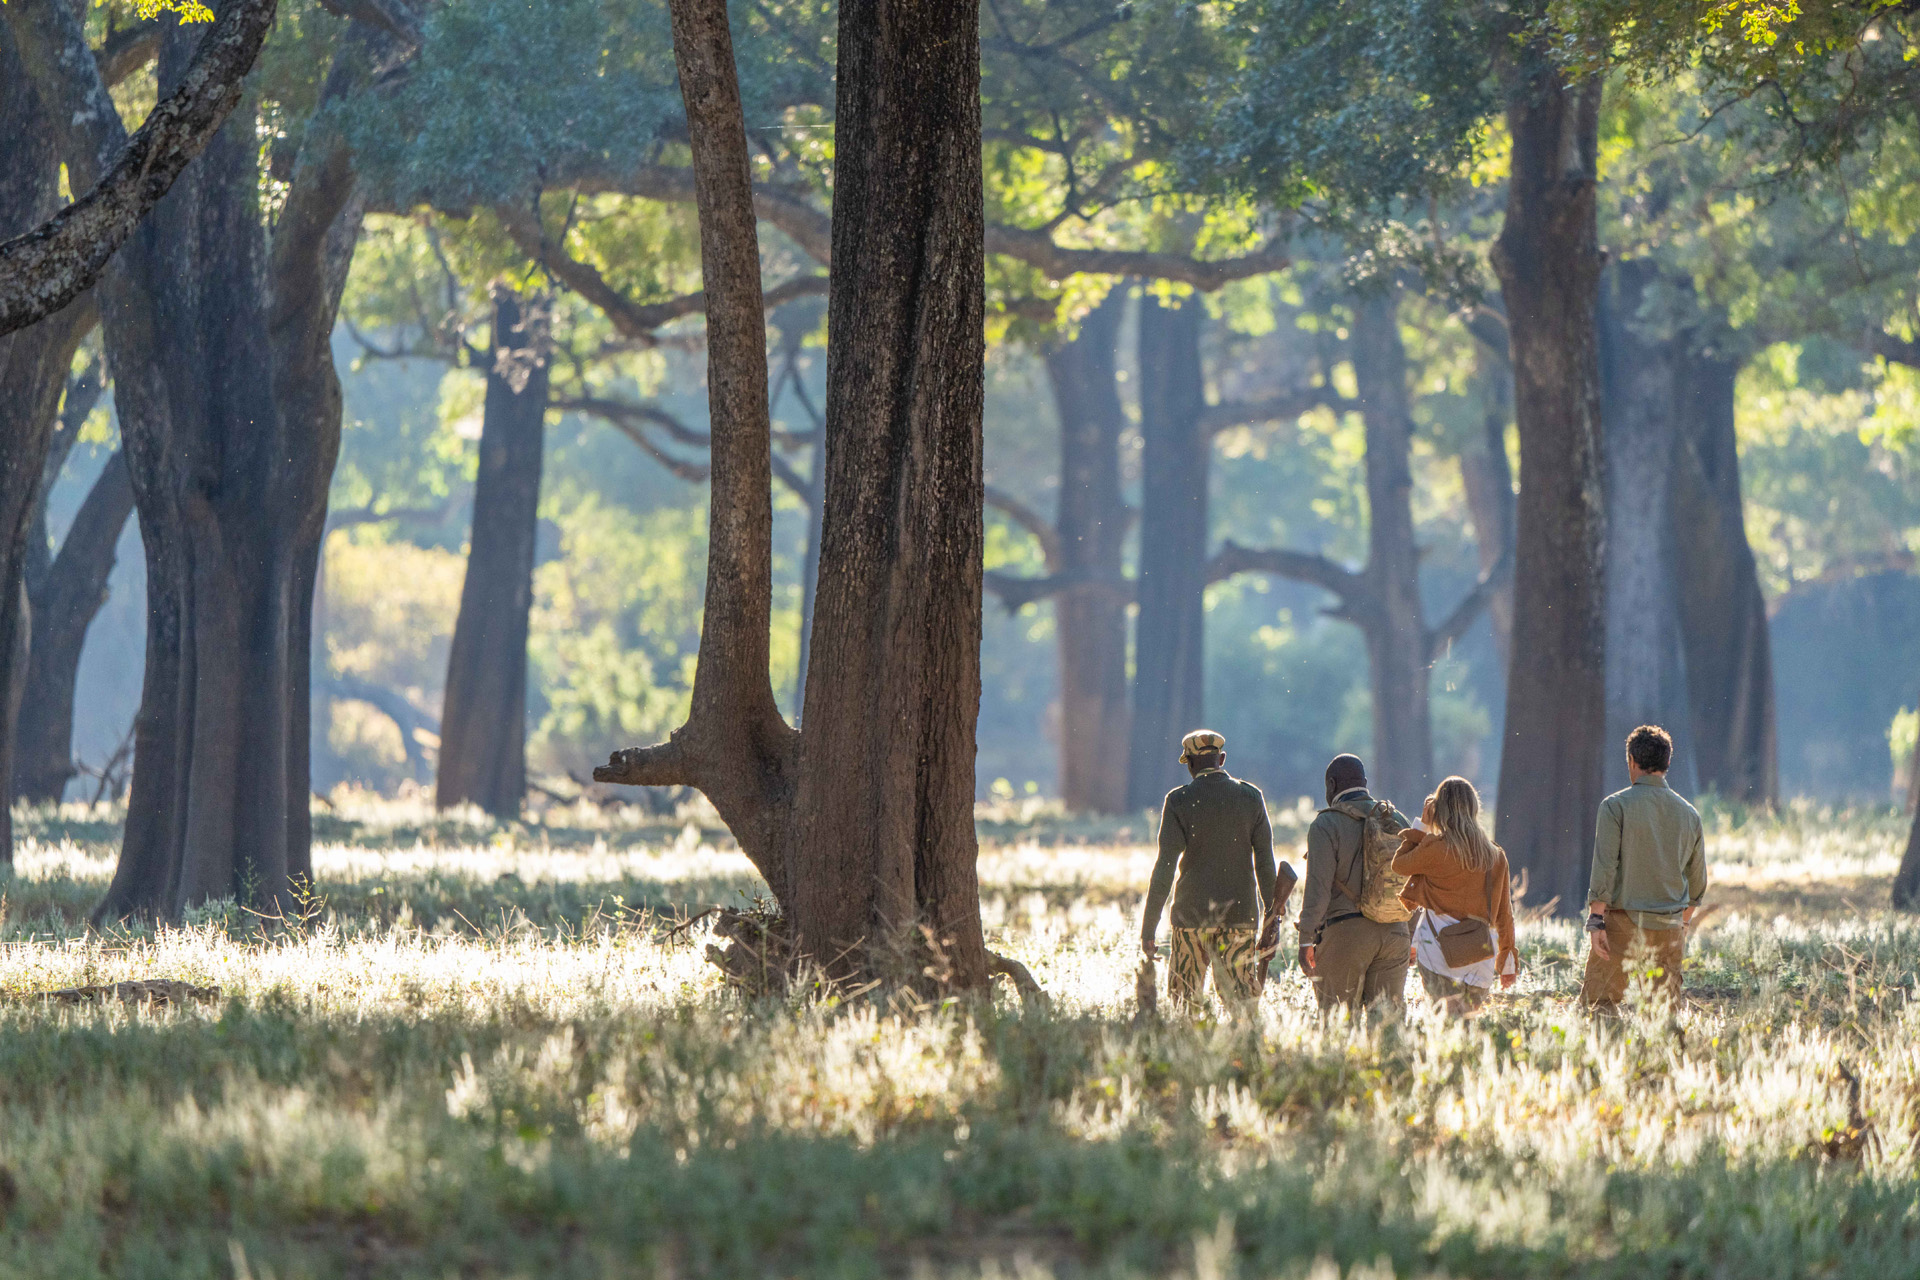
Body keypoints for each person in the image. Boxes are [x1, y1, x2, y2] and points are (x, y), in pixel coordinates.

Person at [1139, 729, 1293, 1010]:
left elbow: (1164, 868)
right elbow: (1265, 865)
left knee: (1185, 1006)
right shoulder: (1251, 797)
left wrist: (1149, 928)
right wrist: (1272, 919)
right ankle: (1244, 1053)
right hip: (1240, 916)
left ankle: (1191, 1054)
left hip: (1190, 918)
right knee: (1242, 1008)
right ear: (1221, 759)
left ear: (1189, 764)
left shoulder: (1178, 801)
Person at [1582, 724, 1707, 1010]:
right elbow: (1698, 883)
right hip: (1668, 927)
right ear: (1667, 763)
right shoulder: (1690, 815)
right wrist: (1683, 921)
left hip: (1621, 926)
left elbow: (1604, 869)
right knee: (1663, 1019)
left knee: (1599, 1009)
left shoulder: (1615, 807)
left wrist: (1596, 921)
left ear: (1631, 761)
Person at [1296, 754, 1412, 1012]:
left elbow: (1318, 889)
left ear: (1332, 785)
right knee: (1387, 1029)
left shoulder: (1326, 824)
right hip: (1396, 934)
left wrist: (1305, 939)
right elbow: (1412, 884)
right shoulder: (1397, 820)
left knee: (1338, 1025)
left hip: (1345, 935)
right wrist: (1410, 936)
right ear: (1365, 782)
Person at [1392, 776, 1517, 1014]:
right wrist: (1507, 960)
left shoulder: (1436, 849)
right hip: (1479, 957)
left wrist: (1421, 827)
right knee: (1467, 1027)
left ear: (1440, 810)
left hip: (1437, 953)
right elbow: (1504, 913)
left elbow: (1399, 865)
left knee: (1445, 1027)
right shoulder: (1495, 855)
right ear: (1474, 807)